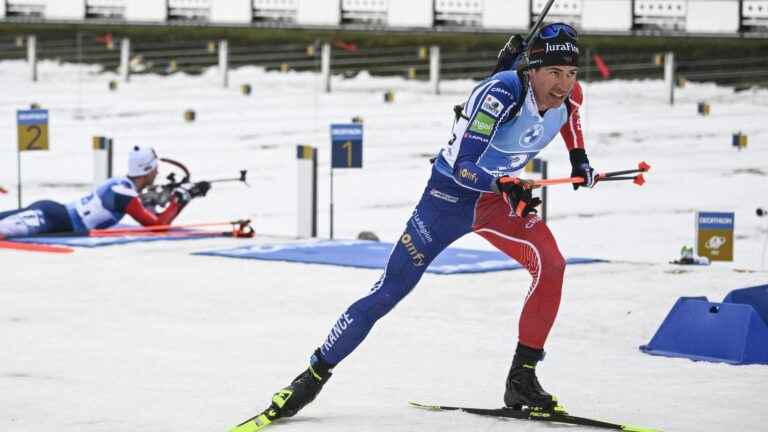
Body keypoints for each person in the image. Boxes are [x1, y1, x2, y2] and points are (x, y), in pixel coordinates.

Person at [235, 23, 597, 429]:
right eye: (554, 73)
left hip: (498, 201)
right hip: (447, 201)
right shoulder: (499, 94)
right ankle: (312, 376)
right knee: (389, 291)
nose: (563, 84)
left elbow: (571, 119)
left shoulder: (570, 95)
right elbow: (463, 167)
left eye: (571, 73)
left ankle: (522, 380)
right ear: (531, 69)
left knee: (552, 265)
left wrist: (579, 159)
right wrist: (503, 183)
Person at [0, 146, 210, 238]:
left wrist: (170, 198)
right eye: (155, 169)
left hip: (53, 213)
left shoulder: (121, 184)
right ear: (146, 170)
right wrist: (181, 199)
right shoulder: (124, 194)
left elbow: (150, 213)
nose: (158, 173)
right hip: (53, 218)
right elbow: (157, 225)